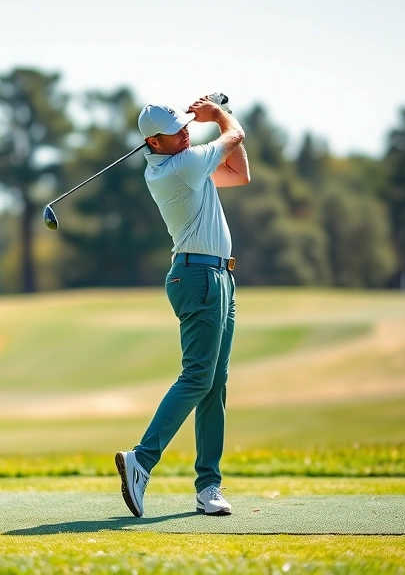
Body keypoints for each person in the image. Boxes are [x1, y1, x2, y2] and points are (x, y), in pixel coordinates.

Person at [115, 95, 250, 518]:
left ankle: (208, 486)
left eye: (185, 125)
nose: (186, 132)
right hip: (198, 278)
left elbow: (240, 172)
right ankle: (142, 458)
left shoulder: (187, 164)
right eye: (176, 131)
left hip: (219, 278)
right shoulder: (181, 168)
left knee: (214, 382)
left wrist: (209, 118)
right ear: (154, 143)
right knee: (198, 377)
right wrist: (217, 114)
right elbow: (236, 134)